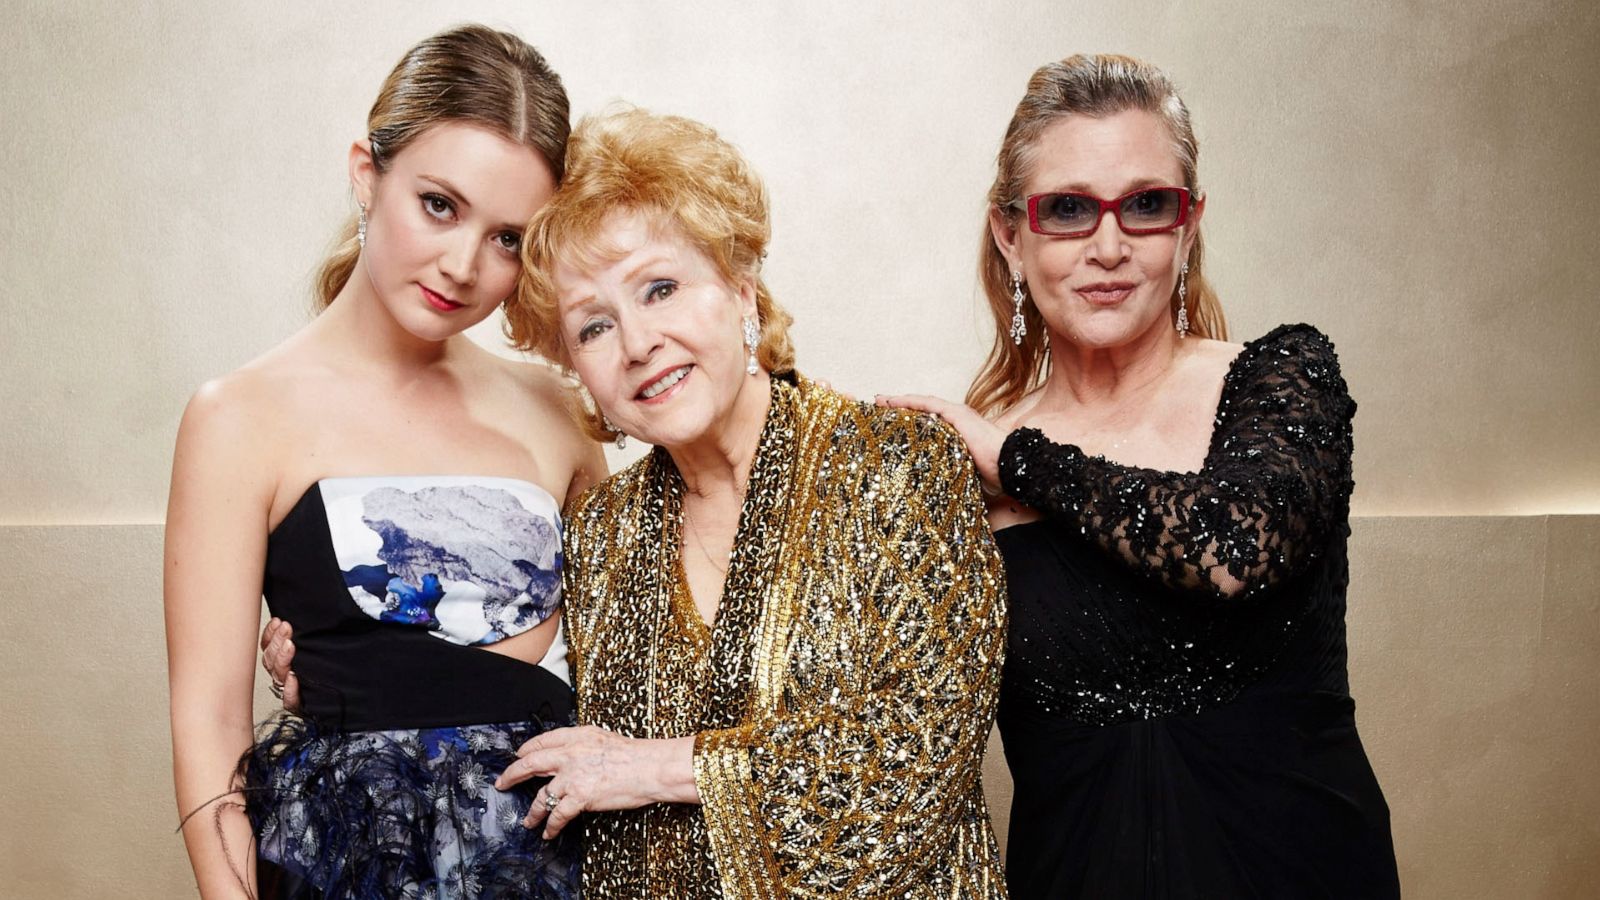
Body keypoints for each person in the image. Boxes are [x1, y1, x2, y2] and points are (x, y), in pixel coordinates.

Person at [880, 54, 1400, 898]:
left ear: (1188, 226)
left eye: (1148, 205)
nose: (1110, 248)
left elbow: (1233, 544)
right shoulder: (956, 472)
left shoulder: (1279, 377)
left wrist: (1017, 459)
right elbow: (891, 727)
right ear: (1011, 235)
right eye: (1070, 210)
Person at [485, 108, 1009, 898]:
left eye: (660, 288)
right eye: (593, 327)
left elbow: (909, 766)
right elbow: (500, 693)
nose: (636, 343)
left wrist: (656, 766)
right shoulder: (599, 535)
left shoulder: (902, 465)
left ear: (740, 289)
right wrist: (326, 650)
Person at [164, 25, 601, 899]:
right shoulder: (239, 417)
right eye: (439, 204)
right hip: (345, 866)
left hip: (560, 866)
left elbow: (639, 657)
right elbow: (208, 724)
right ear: (368, 173)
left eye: (509, 238)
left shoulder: (559, 411)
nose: (463, 265)